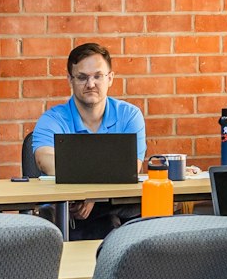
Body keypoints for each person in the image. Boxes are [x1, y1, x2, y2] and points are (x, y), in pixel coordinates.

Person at [31, 42, 147, 239]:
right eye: (82, 77)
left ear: (110, 78)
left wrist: (95, 194)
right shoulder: (52, 119)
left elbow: (129, 168)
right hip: (69, 212)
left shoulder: (129, 115)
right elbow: (47, 160)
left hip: (118, 207)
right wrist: (87, 191)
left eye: (98, 76)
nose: (90, 84)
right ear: (70, 79)